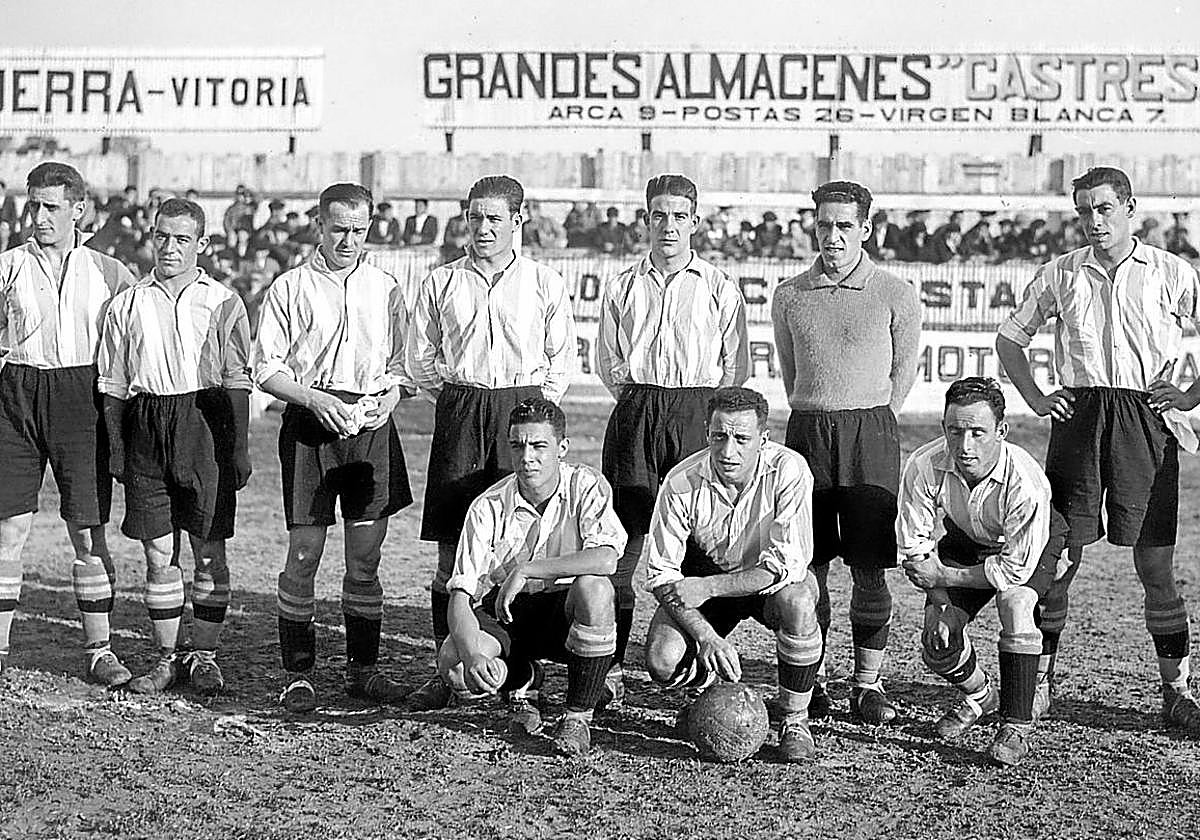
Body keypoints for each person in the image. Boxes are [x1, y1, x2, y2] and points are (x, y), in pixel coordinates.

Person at [996, 165, 1200, 735]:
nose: (1093, 221)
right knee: (1057, 557)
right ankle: (1039, 682)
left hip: (1145, 418)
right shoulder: (1059, 273)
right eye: (1083, 211)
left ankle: (1176, 691)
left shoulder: (1170, 272)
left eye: (1104, 209)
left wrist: (1186, 394)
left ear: (1131, 209)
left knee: (1154, 561)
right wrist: (1037, 398)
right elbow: (1010, 340)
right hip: (1080, 418)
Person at [405, 174, 577, 711]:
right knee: (452, 548)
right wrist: (459, 403)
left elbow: (561, 360)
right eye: (475, 217)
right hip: (461, 410)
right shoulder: (440, 283)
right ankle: (447, 660)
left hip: (519, 407)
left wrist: (525, 407)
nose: (483, 227)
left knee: (521, 539)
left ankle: (518, 658)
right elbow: (420, 359)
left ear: (517, 221)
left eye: (495, 218)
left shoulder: (544, 281)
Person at [252, 182, 416, 712]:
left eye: (359, 229)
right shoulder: (290, 287)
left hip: (369, 425)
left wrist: (390, 397)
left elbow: (403, 367)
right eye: (339, 228)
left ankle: (363, 670)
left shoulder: (387, 287)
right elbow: (266, 370)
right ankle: (298, 674)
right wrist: (315, 399)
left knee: (364, 560)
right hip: (310, 423)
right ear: (319, 226)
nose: (348, 239)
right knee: (304, 555)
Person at [771, 180, 921, 724]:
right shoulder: (789, 294)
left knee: (869, 568)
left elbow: (903, 373)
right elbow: (792, 372)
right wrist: (819, 410)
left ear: (865, 229)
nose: (832, 236)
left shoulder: (894, 292)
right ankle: (815, 678)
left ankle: (867, 682)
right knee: (808, 568)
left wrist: (871, 416)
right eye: (824, 224)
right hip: (808, 431)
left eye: (844, 226)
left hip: (870, 432)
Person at [596, 173, 749, 709]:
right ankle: (609, 662)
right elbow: (609, 361)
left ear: (695, 222)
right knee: (624, 538)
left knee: (690, 536)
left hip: (696, 410)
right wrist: (641, 400)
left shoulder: (719, 286)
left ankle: (692, 652)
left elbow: (736, 366)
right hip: (637, 409)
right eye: (658, 215)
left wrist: (695, 410)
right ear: (646, 219)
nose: (668, 225)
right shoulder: (621, 283)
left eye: (679, 216)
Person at [98, 198, 252, 694]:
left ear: (201, 244)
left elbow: (236, 381)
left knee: (208, 551)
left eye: (182, 239)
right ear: (151, 236)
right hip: (147, 424)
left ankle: (204, 656)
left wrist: (240, 449)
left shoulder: (224, 301)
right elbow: (114, 384)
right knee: (158, 553)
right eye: (162, 236)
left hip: (204, 424)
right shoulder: (127, 303)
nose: (169, 247)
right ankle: (166, 657)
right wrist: (118, 449)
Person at [0, 162, 136, 685]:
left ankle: (99, 649)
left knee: (86, 530)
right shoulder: (8, 265)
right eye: (33, 205)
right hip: (17, 394)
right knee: (9, 527)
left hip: (81, 398)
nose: (39, 216)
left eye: (51, 207)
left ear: (79, 210)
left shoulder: (110, 272)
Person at [436, 397, 626, 755]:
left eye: (539, 446)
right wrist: (474, 656)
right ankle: (522, 680)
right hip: (508, 611)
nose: (527, 457)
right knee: (456, 667)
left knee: (596, 589)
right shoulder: (487, 506)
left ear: (562, 448)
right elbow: (460, 596)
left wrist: (528, 569)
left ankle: (577, 717)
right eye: (518, 446)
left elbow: (606, 559)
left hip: (564, 610)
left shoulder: (586, 485)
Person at [643, 387, 823, 762]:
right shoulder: (681, 481)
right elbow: (661, 574)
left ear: (764, 438)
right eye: (719, 436)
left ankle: (794, 719)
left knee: (801, 601)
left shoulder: (789, 470)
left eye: (742, 438)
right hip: (706, 580)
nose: (728, 451)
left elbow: (784, 566)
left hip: (766, 584)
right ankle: (708, 698)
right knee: (662, 660)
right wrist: (707, 637)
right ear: (707, 433)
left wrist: (707, 587)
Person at [899, 378, 1068, 766]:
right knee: (937, 640)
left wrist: (943, 578)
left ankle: (1016, 726)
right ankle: (981, 696)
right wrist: (940, 603)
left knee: (1015, 603)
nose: (965, 445)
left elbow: (1012, 569)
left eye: (978, 432)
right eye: (955, 431)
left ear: (1001, 431)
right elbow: (916, 548)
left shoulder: (1023, 479)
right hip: (968, 540)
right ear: (943, 427)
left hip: (1030, 545)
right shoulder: (923, 465)